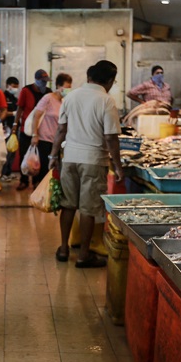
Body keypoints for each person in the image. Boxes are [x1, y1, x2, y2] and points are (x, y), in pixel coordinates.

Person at [51, 61, 124, 268]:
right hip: (93, 160)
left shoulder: (70, 97)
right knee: (88, 209)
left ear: (89, 76)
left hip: (70, 158)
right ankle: (84, 255)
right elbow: (111, 138)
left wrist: (53, 156)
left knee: (68, 204)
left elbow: (60, 130)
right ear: (109, 81)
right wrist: (118, 166)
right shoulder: (106, 100)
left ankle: (64, 249)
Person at [28, 73, 72, 186]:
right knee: (43, 169)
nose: (68, 90)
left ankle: (49, 193)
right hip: (44, 140)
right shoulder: (48, 98)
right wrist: (35, 135)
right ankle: (40, 193)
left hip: (57, 141)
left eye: (69, 88)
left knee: (54, 169)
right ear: (58, 86)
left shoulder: (64, 102)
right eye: (66, 88)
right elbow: (36, 116)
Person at [15, 70, 50, 190]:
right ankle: (23, 180)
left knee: (39, 157)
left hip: (41, 130)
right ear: (36, 79)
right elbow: (20, 108)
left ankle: (37, 181)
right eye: (42, 81)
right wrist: (15, 125)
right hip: (26, 129)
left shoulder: (48, 93)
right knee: (24, 154)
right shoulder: (26, 90)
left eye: (45, 82)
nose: (44, 84)